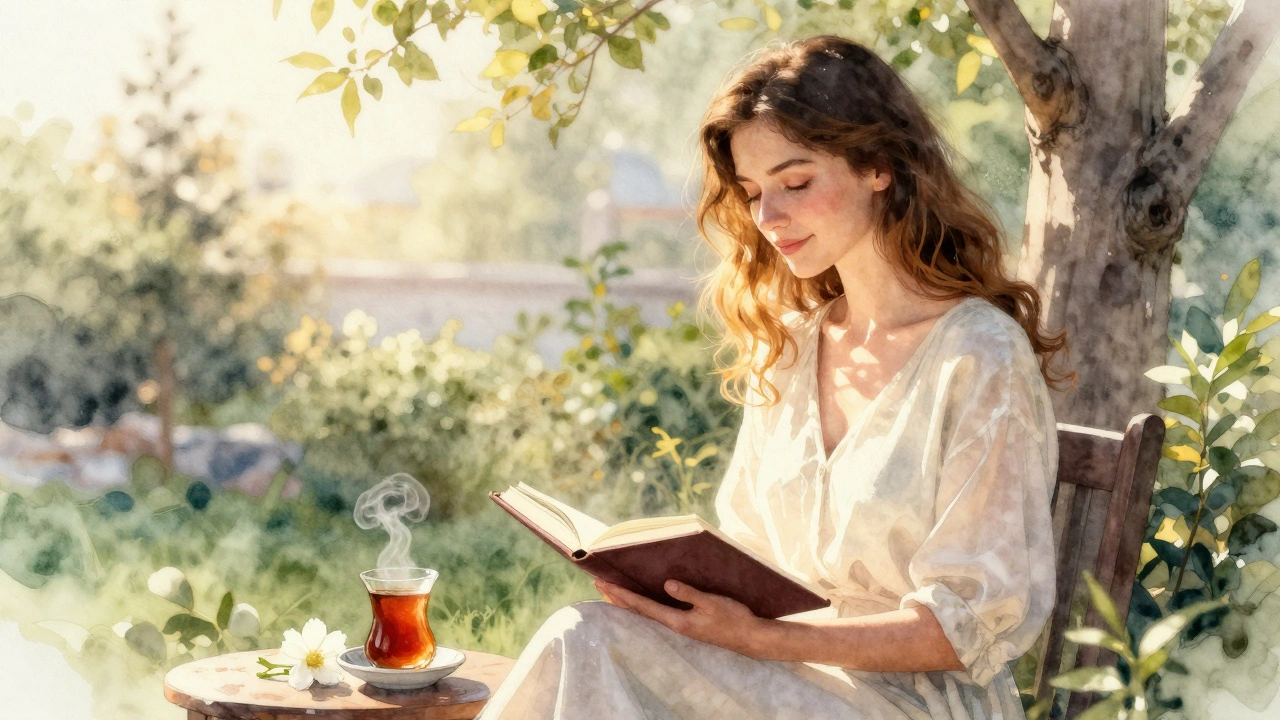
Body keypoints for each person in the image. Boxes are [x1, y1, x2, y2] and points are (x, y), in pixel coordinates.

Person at [478, 35, 1077, 720]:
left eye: (796, 183)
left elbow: (964, 628)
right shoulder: (792, 348)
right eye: (754, 192)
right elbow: (753, 565)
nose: (768, 219)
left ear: (878, 165)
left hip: (909, 704)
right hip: (781, 677)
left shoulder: (979, 357)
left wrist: (764, 638)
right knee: (586, 634)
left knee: (587, 649)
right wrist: (681, 599)